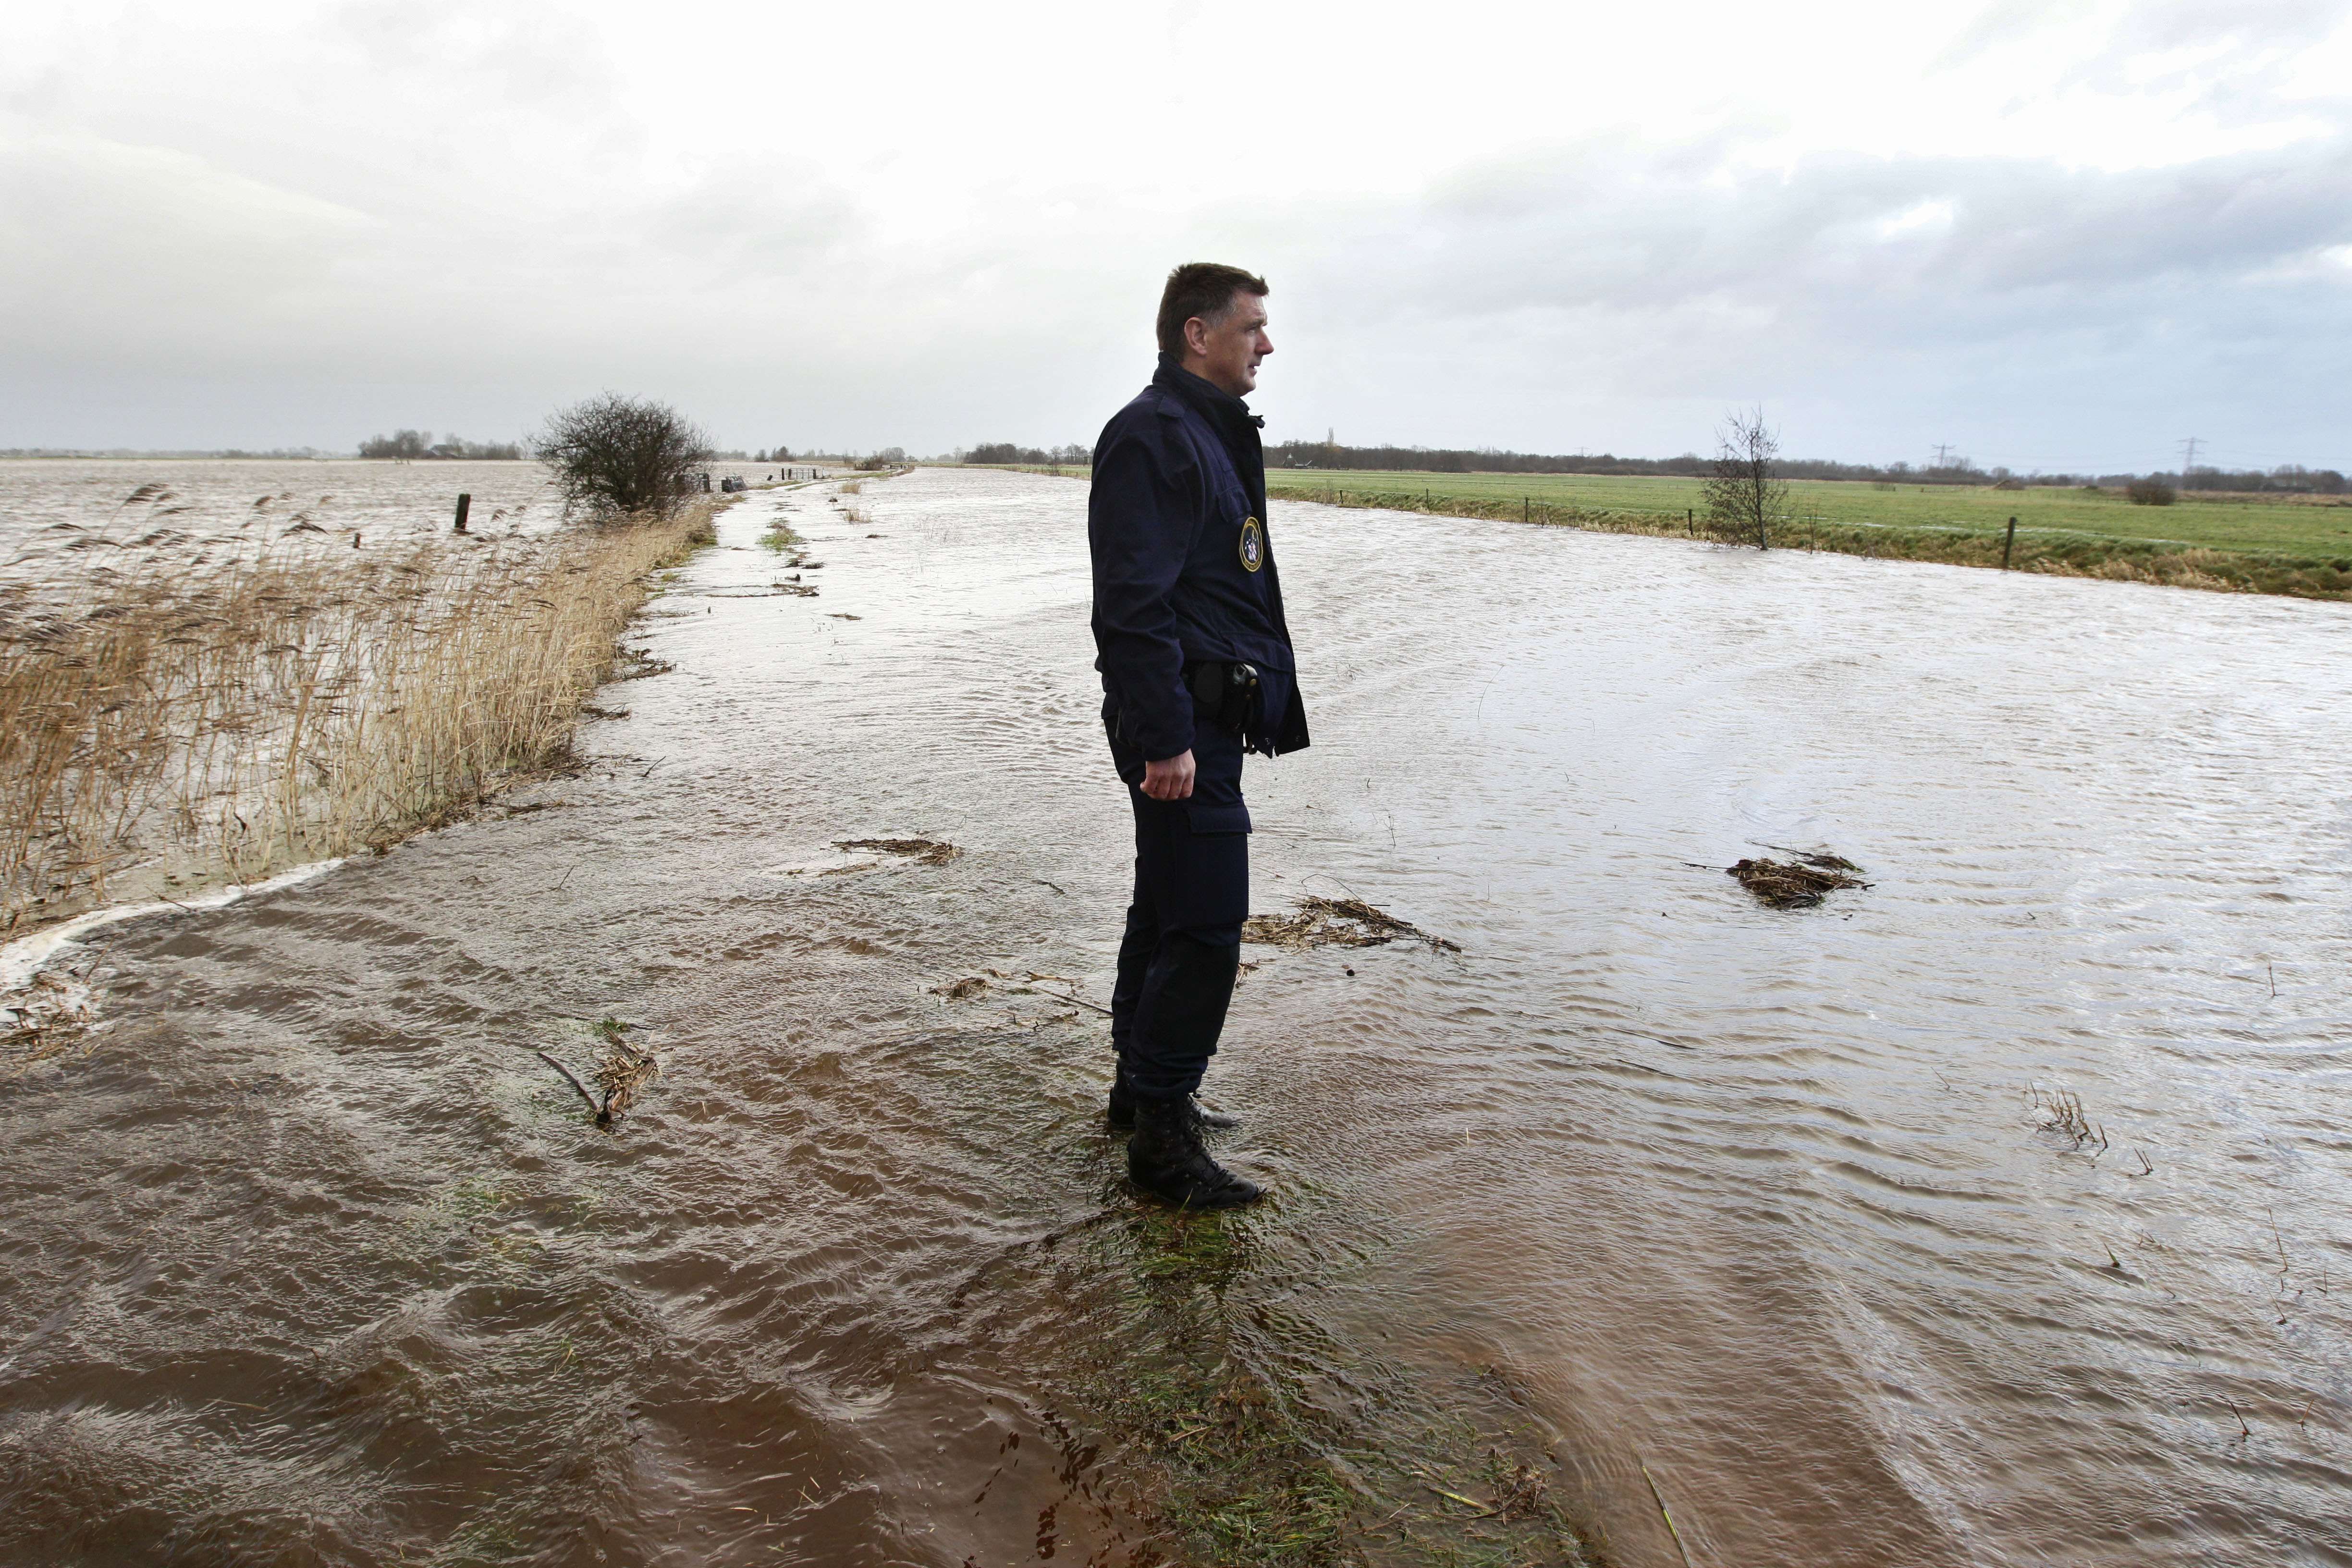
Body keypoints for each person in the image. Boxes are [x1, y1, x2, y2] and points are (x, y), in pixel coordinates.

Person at [1087, 262, 1311, 1209]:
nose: (1267, 343)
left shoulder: (1208, 434)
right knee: (1208, 926)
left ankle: (1141, 1096)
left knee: (1166, 907)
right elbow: (1131, 608)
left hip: (1204, 721)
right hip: (1181, 728)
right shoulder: (1155, 436)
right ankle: (1164, 1149)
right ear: (1197, 333)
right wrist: (1166, 738)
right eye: (1252, 326)